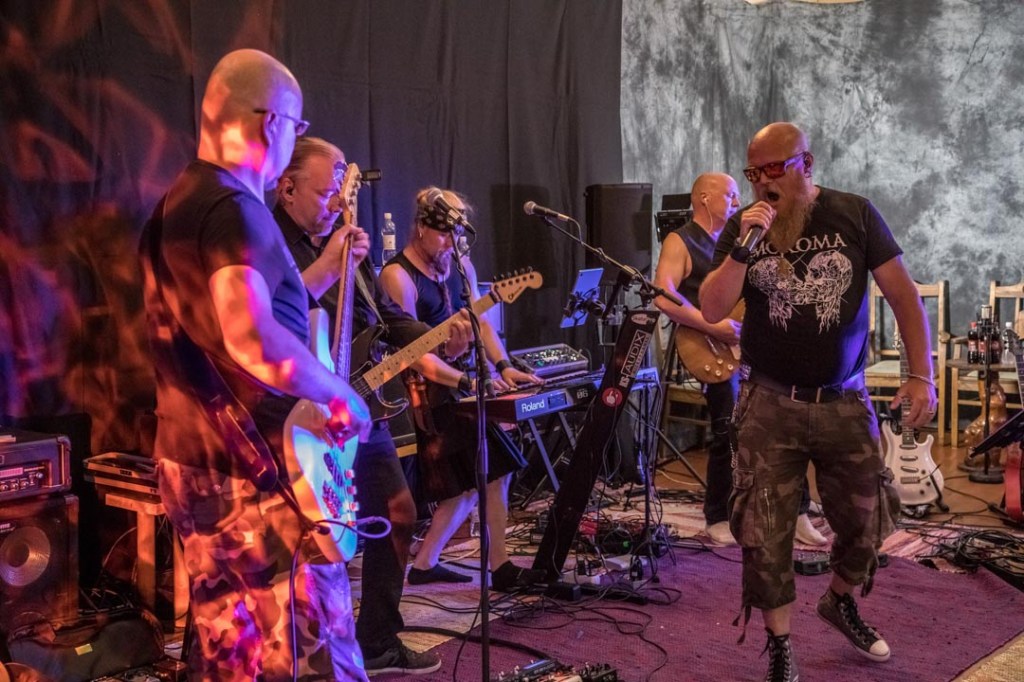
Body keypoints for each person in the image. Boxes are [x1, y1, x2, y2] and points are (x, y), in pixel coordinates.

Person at [140, 50, 371, 680]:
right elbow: (250, 336)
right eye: (297, 127)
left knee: (231, 655)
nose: (294, 139)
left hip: (195, 459)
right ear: (271, 123)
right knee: (313, 655)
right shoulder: (233, 209)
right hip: (257, 477)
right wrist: (339, 394)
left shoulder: (175, 207)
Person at [699, 122, 937, 681]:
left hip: (844, 400)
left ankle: (840, 599)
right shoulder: (744, 226)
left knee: (868, 521)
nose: (763, 183)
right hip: (767, 403)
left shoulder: (854, 214)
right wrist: (742, 248)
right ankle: (780, 644)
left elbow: (903, 296)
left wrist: (921, 375)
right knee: (764, 531)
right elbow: (711, 308)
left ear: (805, 164)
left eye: (773, 170)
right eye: (753, 173)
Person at [273, 137, 473, 675]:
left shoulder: (346, 246)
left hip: (357, 403)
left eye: (341, 194)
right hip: (303, 411)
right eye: (327, 193)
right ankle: (307, 653)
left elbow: (381, 317)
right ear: (287, 188)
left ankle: (378, 641)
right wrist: (330, 263)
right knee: (319, 539)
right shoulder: (271, 242)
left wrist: (439, 336)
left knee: (398, 513)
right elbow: (275, 317)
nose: (336, 204)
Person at [379, 188, 547, 592]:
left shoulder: (459, 264)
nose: (450, 244)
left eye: (456, 236)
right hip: (427, 396)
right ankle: (501, 567)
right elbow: (411, 354)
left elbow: (480, 322)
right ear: (420, 228)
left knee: (471, 484)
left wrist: (504, 365)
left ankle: (425, 564)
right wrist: (462, 377)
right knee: (493, 473)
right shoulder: (398, 276)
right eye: (443, 235)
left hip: (462, 385)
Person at [653, 173, 828, 548]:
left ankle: (798, 511)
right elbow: (662, 295)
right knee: (727, 428)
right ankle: (717, 515)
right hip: (714, 348)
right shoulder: (681, 240)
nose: (737, 203)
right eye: (730, 196)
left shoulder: (744, 236)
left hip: (759, 346)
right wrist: (712, 326)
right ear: (704, 198)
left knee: (789, 421)